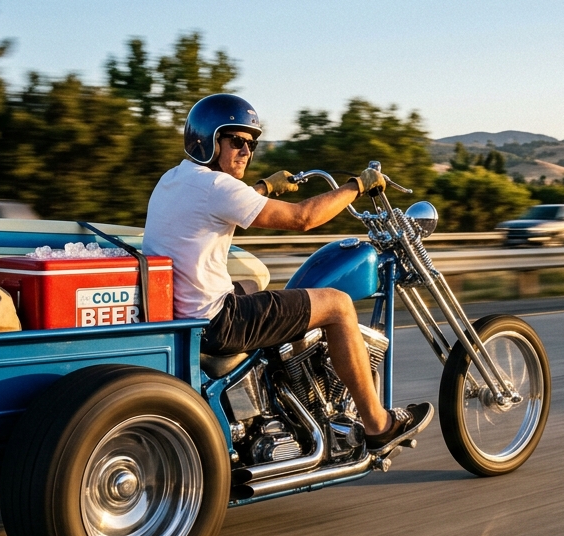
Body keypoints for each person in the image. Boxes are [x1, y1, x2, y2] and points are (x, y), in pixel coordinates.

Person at [143, 94, 433, 452]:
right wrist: (357, 186)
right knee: (338, 305)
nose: (246, 151)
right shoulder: (217, 187)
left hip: (185, 313)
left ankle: (282, 390)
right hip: (218, 320)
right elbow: (303, 218)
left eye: (252, 144)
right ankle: (378, 424)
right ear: (208, 140)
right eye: (236, 141)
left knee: (254, 283)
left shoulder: (175, 179)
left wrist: (265, 187)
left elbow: (224, 204)